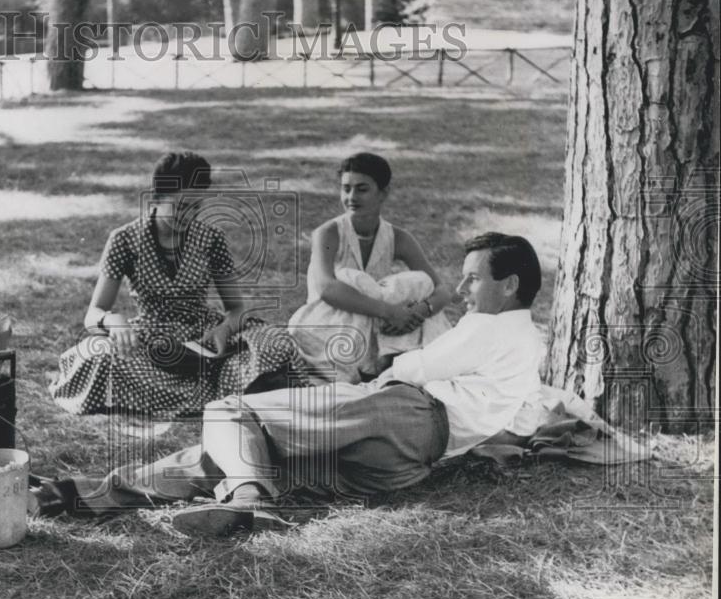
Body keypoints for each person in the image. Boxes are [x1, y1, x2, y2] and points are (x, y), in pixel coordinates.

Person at [31, 232, 547, 537]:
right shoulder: (530, 343)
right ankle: (71, 496)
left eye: (473, 278)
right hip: (408, 466)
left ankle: (250, 499)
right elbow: (517, 414)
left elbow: (417, 367)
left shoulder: (489, 325)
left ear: (510, 285)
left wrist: (383, 376)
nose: (461, 288)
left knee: (229, 413)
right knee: (233, 456)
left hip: (403, 414)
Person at [49, 151, 310, 418]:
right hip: (151, 340)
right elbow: (93, 314)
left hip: (203, 337)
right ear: (155, 199)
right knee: (98, 357)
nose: (188, 216)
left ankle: (219, 386)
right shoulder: (124, 239)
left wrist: (222, 331)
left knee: (273, 344)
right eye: (180, 206)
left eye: (196, 207)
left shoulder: (211, 239)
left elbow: (237, 309)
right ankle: (229, 391)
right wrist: (114, 321)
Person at [288, 153, 453, 383]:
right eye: (346, 189)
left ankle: (403, 366)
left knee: (417, 283)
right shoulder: (328, 233)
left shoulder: (398, 238)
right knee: (349, 278)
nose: (351, 197)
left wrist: (419, 312)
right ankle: (378, 369)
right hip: (329, 326)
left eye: (362, 189)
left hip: (378, 327)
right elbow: (326, 288)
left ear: (383, 193)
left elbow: (442, 290)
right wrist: (390, 312)